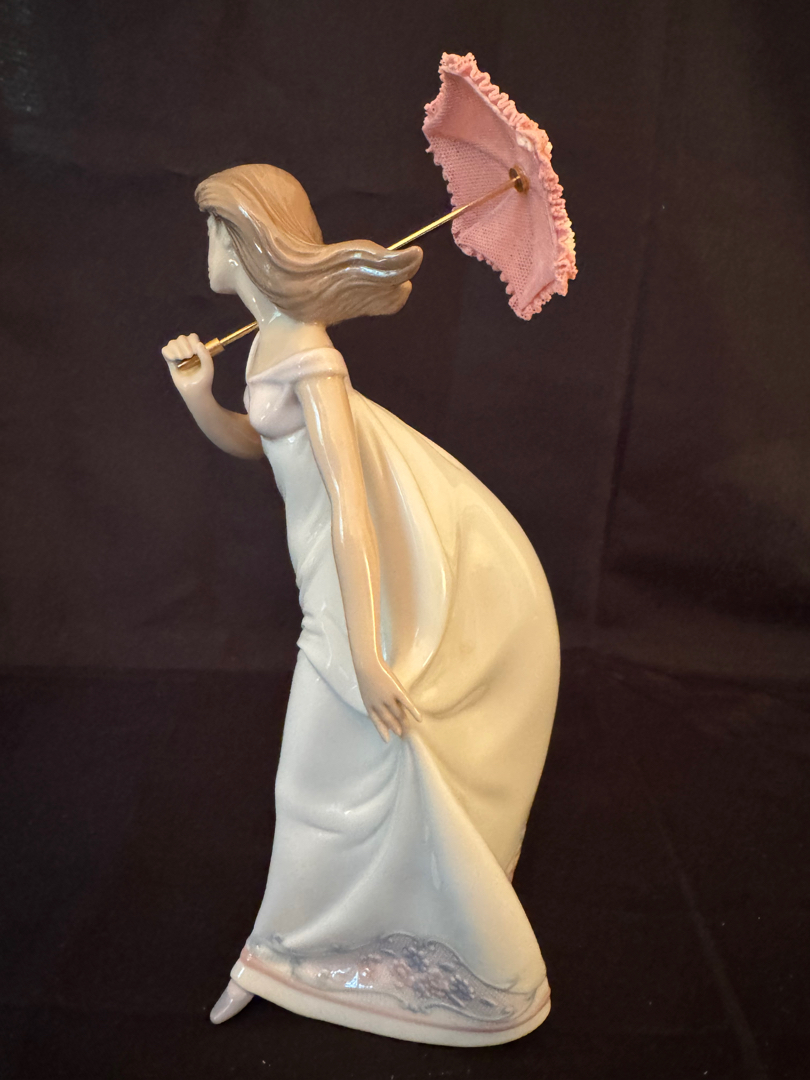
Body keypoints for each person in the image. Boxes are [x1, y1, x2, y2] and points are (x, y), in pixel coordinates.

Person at [161, 164, 559, 1047]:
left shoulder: (312, 359)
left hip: (347, 601)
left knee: (315, 784)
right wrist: (198, 396)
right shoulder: (271, 342)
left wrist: (370, 655)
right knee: (337, 783)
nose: (209, 247)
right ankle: (310, 952)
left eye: (217, 231)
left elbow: (350, 508)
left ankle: (314, 957)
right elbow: (259, 444)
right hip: (324, 593)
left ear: (249, 241)